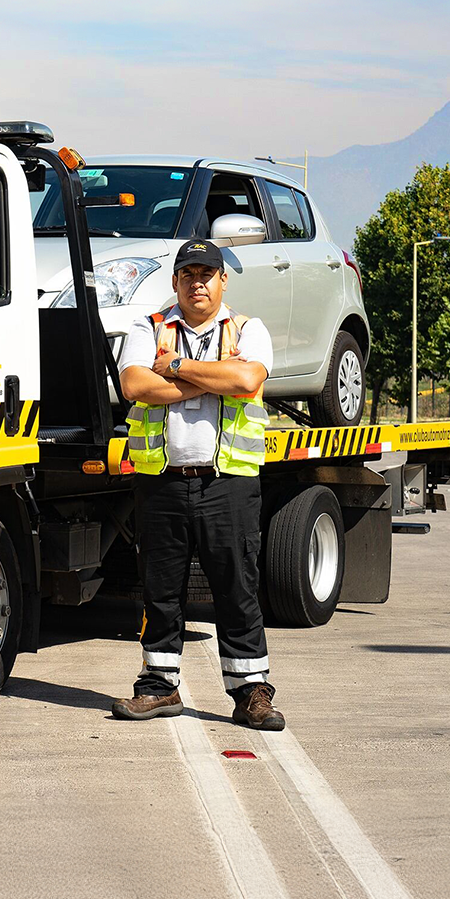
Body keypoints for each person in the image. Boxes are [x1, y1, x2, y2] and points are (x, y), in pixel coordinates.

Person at [111, 239, 285, 731]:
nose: (197, 283)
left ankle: (251, 694)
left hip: (227, 483)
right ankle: (158, 687)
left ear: (223, 281)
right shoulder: (148, 327)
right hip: (162, 483)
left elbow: (248, 381)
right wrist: (215, 378)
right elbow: (134, 386)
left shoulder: (248, 329)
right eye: (188, 274)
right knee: (160, 591)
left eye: (207, 274)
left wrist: (177, 368)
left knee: (237, 589)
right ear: (175, 281)